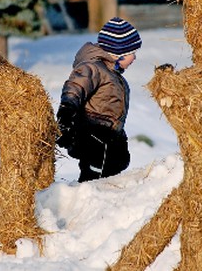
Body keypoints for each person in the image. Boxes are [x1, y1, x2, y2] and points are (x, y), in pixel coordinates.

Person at [56, 17, 142, 182]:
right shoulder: (92, 68)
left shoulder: (112, 74)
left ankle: (106, 197)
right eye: (132, 53)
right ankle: (89, 194)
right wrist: (66, 114)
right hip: (92, 132)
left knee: (117, 163)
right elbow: (75, 88)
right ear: (118, 53)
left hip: (108, 134)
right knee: (96, 171)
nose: (135, 58)